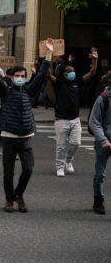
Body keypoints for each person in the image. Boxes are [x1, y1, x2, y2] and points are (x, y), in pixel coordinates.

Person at [0, 38, 52, 212]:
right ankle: (9, 199)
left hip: (26, 136)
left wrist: (49, 54)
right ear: (12, 78)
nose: (20, 78)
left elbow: (41, 75)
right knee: (8, 172)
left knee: (28, 169)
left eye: (23, 76)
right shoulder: (5, 92)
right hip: (8, 137)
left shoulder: (29, 91)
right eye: (17, 76)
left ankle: (19, 194)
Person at [49, 48, 98, 176]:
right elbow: (48, 75)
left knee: (76, 142)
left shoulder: (77, 82)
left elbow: (92, 72)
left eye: (73, 71)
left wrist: (95, 60)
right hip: (61, 119)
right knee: (60, 146)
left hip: (75, 119)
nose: (72, 73)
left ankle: (68, 160)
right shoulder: (59, 83)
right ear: (64, 74)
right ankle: (59, 166)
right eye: (69, 72)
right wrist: (49, 57)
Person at [88, 70, 111, 215]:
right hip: (105, 142)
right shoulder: (103, 98)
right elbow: (94, 122)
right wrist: (103, 140)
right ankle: (98, 200)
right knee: (100, 174)